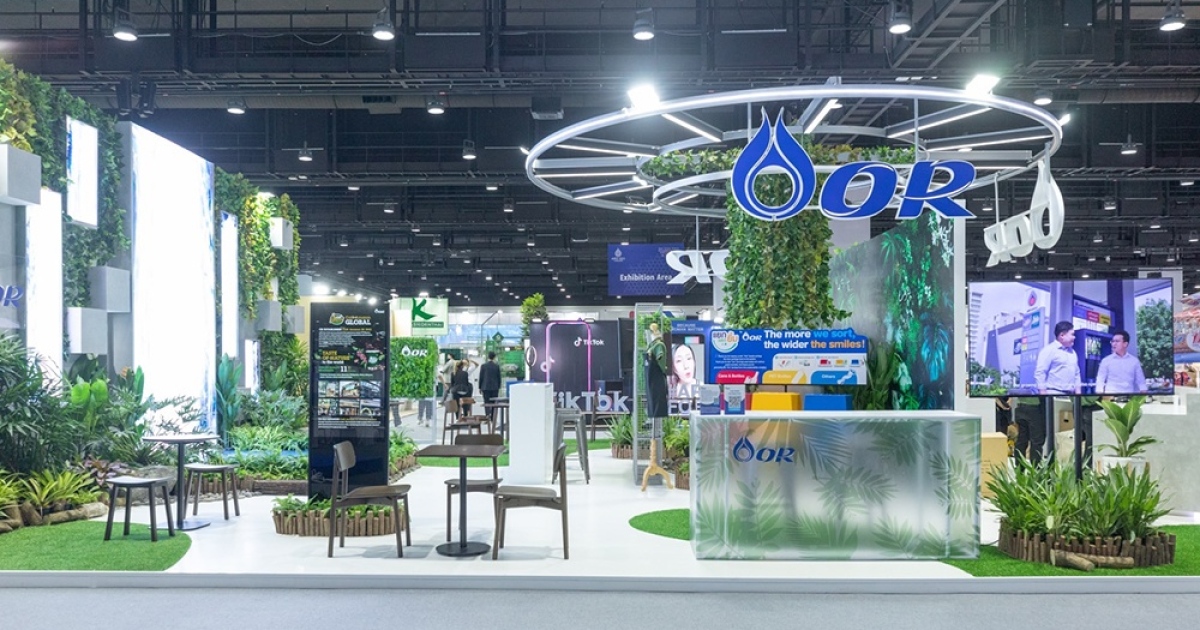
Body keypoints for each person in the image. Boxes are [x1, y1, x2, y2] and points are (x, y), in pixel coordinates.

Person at [1020, 321, 1080, 464]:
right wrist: (1044, 395)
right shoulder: (1049, 350)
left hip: (1069, 397)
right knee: (1043, 434)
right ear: (1062, 335)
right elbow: (1040, 373)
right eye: (1072, 334)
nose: (1074, 337)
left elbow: (1077, 374)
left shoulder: (1072, 353)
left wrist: (1078, 394)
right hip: (1052, 395)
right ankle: (1037, 466)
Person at [1095, 330, 1147, 394]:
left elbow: (1141, 382)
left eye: (1117, 341)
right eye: (1113, 341)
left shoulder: (1134, 361)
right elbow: (1100, 380)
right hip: (1110, 396)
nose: (1114, 344)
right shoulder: (1106, 361)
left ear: (1125, 344)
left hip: (1128, 395)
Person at [479, 351, 502, 425]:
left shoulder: (483, 366)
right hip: (495, 387)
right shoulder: (496, 366)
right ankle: (493, 418)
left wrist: (480, 387)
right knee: (494, 403)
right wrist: (498, 386)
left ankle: (487, 417)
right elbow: (499, 377)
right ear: (494, 357)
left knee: (486, 403)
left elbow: (481, 377)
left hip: (485, 387)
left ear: (488, 357)